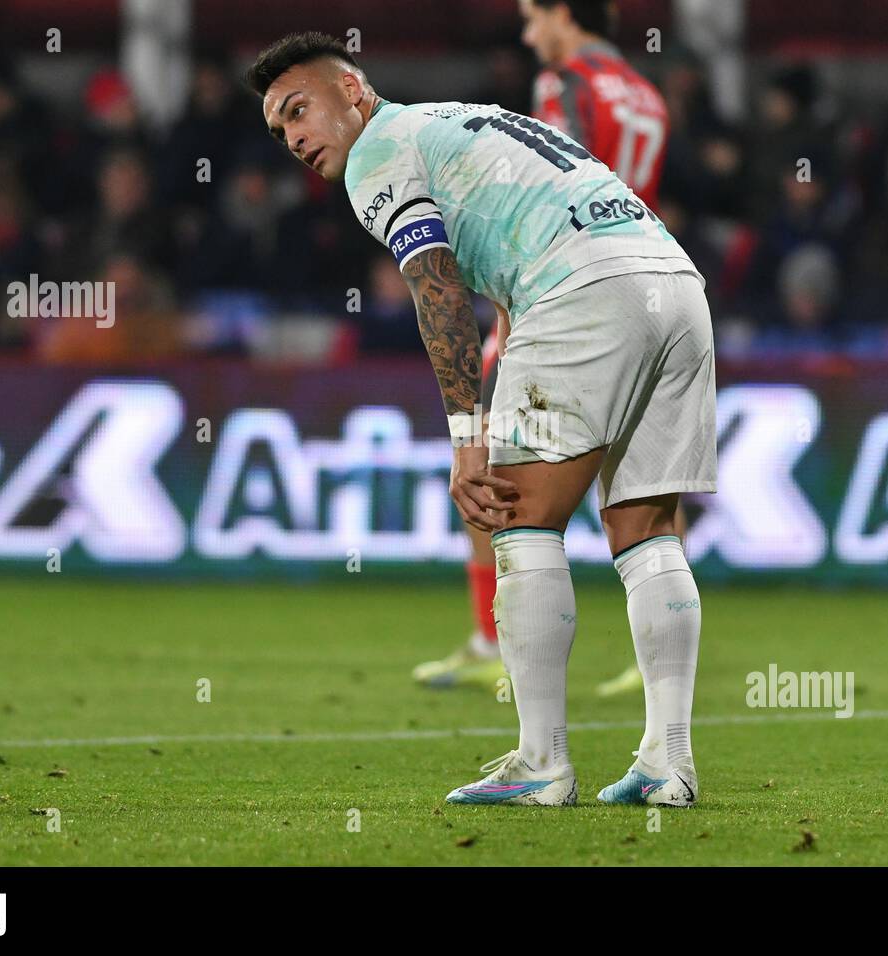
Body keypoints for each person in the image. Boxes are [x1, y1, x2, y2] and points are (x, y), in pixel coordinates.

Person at [248, 31, 716, 806]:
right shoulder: (465, 120)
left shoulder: (377, 156)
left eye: (299, 110)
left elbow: (437, 290)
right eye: (278, 130)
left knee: (516, 517)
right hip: (673, 283)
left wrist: (469, 440)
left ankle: (542, 762)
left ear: (355, 90)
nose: (294, 137)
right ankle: (670, 761)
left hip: (580, 290)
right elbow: (497, 258)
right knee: (646, 525)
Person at [413, 0, 682, 697]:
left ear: (565, 11)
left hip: (562, 292)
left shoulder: (565, 84)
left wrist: (503, 307)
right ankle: (657, 655)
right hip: (650, 284)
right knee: (643, 488)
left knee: (495, 476)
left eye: (535, 16)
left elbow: (546, 191)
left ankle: (496, 642)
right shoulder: (647, 94)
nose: (530, 35)